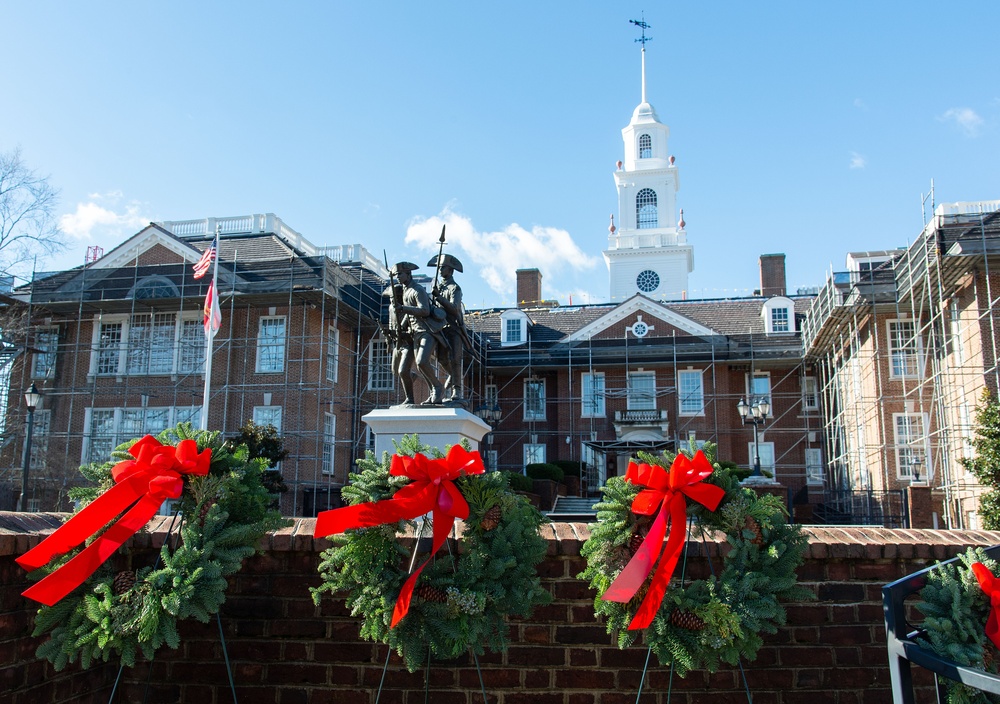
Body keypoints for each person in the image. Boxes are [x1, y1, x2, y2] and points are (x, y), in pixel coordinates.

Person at [386, 262, 448, 405]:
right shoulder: (406, 291)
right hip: (415, 333)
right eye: (395, 276)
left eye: (400, 275)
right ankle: (434, 391)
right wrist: (400, 328)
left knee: (421, 361)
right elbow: (409, 315)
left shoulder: (418, 290)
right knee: (420, 365)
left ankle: (438, 387)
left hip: (427, 331)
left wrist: (403, 308)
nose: (397, 278)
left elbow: (424, 310)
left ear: (408, 274)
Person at [428, 253, 469, 403]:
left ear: (450, 270)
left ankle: (457, 390)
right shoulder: (438, 286)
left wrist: (439, 297)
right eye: (439, 267)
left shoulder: (454, 288)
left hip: (453, 328)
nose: (440, 270)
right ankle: (451, 379)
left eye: (443, 267)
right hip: (440, 328)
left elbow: (454, 308)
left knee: (455, 360)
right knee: (441, 359)